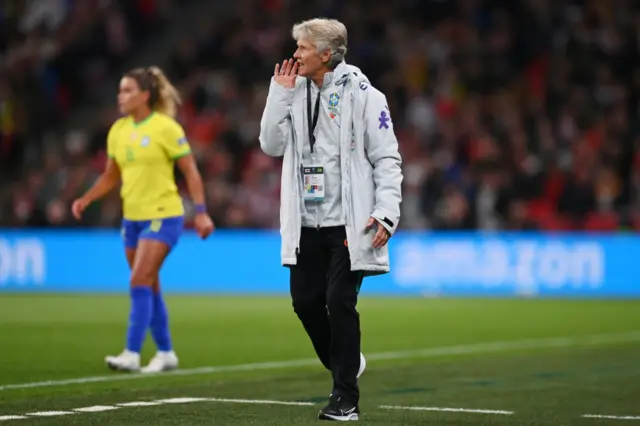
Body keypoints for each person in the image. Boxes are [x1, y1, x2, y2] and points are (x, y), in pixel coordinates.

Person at [259, 18, 403, 421]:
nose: (295, 54)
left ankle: (345, 398)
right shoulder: (292, 90)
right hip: (306, 220)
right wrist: (278, 94)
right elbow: (270, 145)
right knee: (305, 302)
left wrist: (386, 213)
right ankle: (347, 360)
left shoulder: (365, 95)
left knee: (339, 300)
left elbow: (387, 159)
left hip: (349, 220)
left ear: (326, 53)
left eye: (303, 48)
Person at [71, 66, 214, 373]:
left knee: (138, 280)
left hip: (164, 215)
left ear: (145, 96)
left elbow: (190, 171)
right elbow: (112, 176)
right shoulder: (118, 131)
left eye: (127, 90)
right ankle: (165, 353)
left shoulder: (166, 127)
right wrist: (87, 198)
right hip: (132, 219)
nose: (120, 96)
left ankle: (131, 352)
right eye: (120, 90)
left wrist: (201, 213)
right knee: (149, 284)